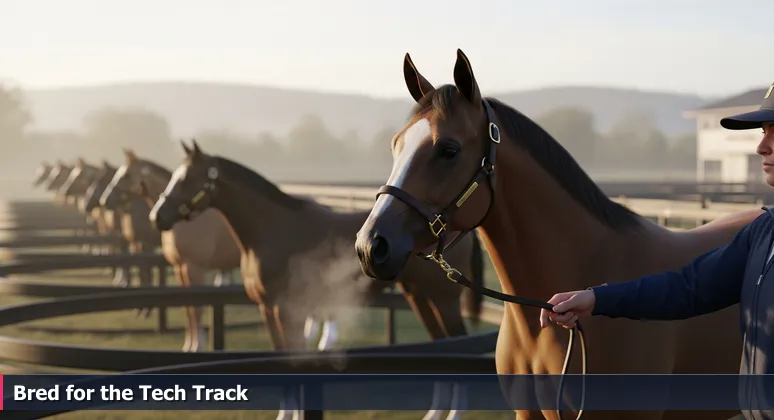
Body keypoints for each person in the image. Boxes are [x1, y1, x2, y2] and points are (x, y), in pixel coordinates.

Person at [539, 83, 774, 420]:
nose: (760, 147)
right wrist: (597, 299)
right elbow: (688, 288)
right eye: (763, 131)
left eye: (773, 132)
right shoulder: (764, 231)